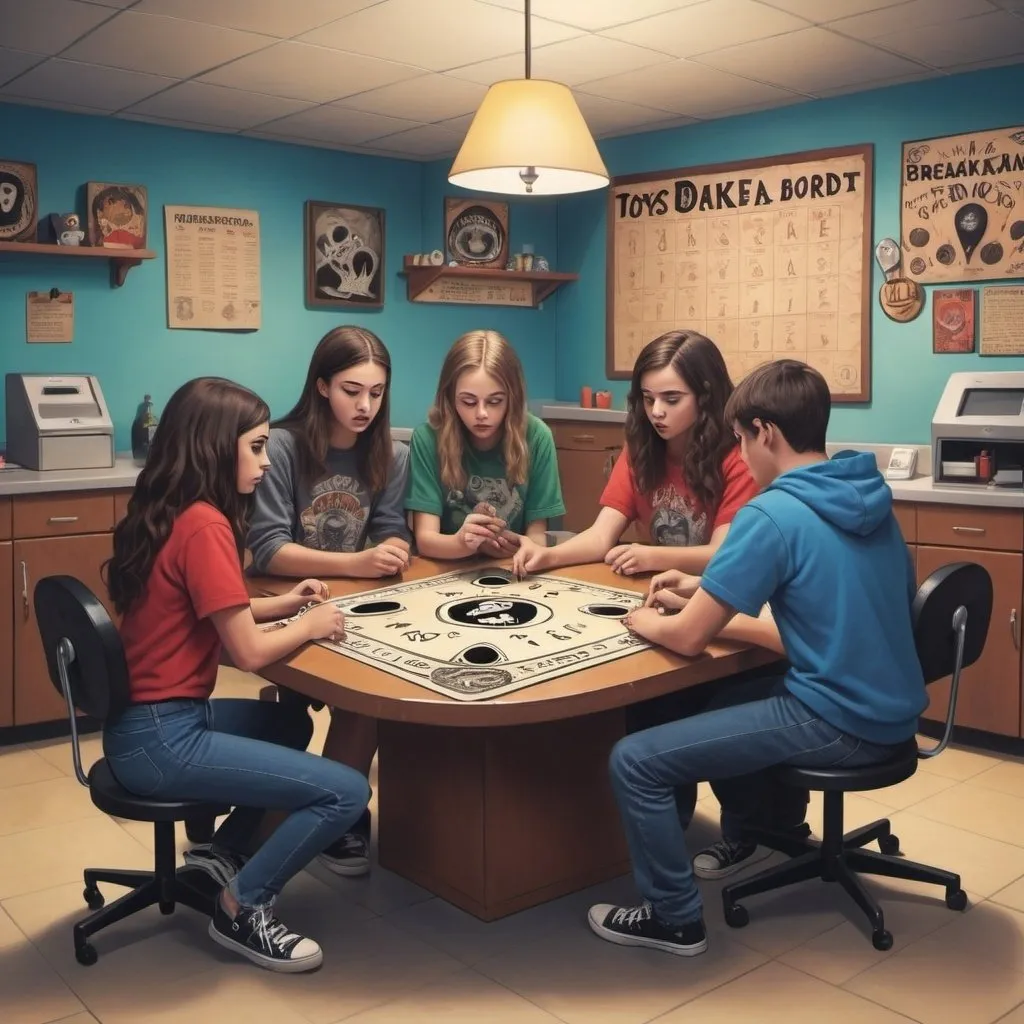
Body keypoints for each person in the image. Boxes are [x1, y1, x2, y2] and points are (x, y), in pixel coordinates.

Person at [587, 359, 926, 957]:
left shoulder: (772, 512)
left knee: (635, 759)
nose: (738, 453)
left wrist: (642, 619)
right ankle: (756, 832)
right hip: (894, 712)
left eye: (741, 438)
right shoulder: (865, 495)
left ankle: (673, 918)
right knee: (722, 697)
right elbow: (825, 586)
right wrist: (700, 588)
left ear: (765, 433)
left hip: (838, 719)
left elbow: (690, 639)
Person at [102, 377, 370, 973]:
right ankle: (242, 906)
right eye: (254, 447)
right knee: (347, 791)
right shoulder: (207, 526)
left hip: (141, 726)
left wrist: (286, 603)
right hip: (164, 739)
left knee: (286, 723)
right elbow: (248, 653)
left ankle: (224, 853)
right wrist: (314, 622)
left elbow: (214, 612)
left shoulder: (169, 510)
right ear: (212, 448)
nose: (266, 460)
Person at [246, 326, 410, 877]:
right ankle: (300, 819)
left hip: (356, 606)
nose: (365, 405)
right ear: (321, 387)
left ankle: (344, 817)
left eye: (377, 393)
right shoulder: (284, 448)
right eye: (351, 390)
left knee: (371, 694)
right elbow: (267, 550)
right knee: (312, 705)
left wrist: (392, 551)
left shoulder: (392, 452)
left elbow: (390, 529)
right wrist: (355, 563)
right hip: (289, 601)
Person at [511, 330, 757, 580]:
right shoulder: (642, 448)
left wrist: (652, 557)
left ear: (705, 398)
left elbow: (722, 555)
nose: (656, 412)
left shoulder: (739, 458)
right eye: (648, 399)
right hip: (655, 586)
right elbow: (600, 536)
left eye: (672, 399)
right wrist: (548, 556)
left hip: (713, 593)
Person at [406, 329, 565, 559]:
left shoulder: (537, 436)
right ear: (449, 397)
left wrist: (523, 547)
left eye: (495, 401)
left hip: (511, 566)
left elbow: (537, 536)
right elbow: (426, 540)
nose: (481, 414)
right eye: (469, 402)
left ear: (514, 397)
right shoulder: (428, 438)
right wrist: (464, 543)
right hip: (449, 567)